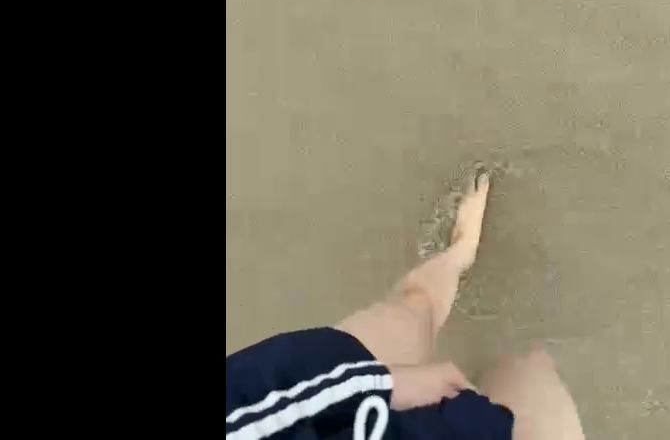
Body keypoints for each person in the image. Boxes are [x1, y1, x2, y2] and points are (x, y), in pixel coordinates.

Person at [226, 169, 585, 440]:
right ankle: (524, 343)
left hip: (339, 420)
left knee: (414, 310)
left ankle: (458, 255)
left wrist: (375, 384)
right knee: (530, 367)